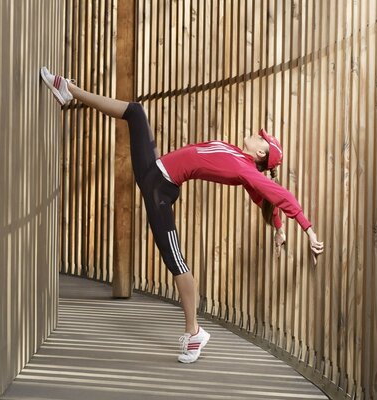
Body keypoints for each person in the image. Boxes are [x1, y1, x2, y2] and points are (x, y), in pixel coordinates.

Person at [40, 67, 325, 363]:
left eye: (261, 138)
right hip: (155, 172)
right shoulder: (237, 154)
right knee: (136, 112)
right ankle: (69, 91)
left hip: (159, 191)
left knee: (175, 262)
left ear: (262, 155)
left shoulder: (246, 169)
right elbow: (266, 199)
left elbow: (277, 193)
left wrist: (309, 230)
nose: (257, 134)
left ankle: (194, 333)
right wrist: (277, 226)